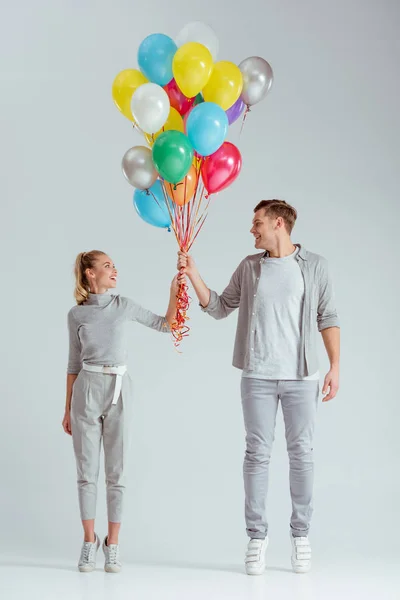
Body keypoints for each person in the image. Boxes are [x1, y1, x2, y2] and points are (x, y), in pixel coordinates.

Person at [177, 199, 340, 575]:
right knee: (256, 455)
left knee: (302, 454)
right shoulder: (250, 268)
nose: (252, 231)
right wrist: (194, 274)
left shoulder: (315, 267)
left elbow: (327, 316)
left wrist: (335, 366)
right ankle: (257, 537)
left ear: (278, 223)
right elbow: (218, 307)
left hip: (302, 377)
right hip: (258, 376)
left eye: (257, 224)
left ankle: (301, 536)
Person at [62, 250, 180, 573]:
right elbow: (73, 363)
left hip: (119, 388)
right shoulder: (76, 315)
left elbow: (166, 324)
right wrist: (67, 407)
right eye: (107, 266)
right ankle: (89, 541)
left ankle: (112, 544)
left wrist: (174, 292)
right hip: (86, 388)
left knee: (117, 472)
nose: (114, 270)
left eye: (114, 265)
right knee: (87, 472)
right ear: (90, 273)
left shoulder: (122, 305)